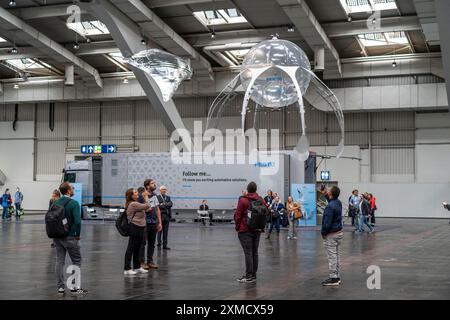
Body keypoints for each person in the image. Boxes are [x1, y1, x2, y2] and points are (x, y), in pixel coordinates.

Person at [52, 182, 87, 295]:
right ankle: (74, 287)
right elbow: (77, 221)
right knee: (76, 261)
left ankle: (60, 288)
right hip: (70, 236)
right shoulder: (74, 203)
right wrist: (77, 234)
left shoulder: (55, 202)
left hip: (57, 236)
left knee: (59, 261)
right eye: (72, 188)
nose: (73, 189)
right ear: (68, 191)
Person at [234, 181, 266, 283]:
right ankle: (253, 275)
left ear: (247, 189)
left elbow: (238, 215)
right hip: (257, 229)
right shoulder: (261, 199)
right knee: (254, 253)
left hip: (245, 230)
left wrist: (237, 227)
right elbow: (266, 212)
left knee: (248, 253)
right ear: (256, 189)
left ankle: (248, 276)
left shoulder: (243, 200)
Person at [124, 188, 150, 275]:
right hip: (135, 227)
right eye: (135, 192)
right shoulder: (133, 204)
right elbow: (147, 206)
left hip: (140, 227)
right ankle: (127, 268)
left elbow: (145, 209)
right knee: (131, 247)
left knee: (137, 248)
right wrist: (146, 196)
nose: (137, 193)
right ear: (131, 196)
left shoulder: (136, 203)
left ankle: (137, 267)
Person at [321, 186, 343, 286]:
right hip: (338, 232)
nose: (327, 190)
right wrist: (325, 194)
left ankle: (333, 278)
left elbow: (327, 223)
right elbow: (331, 201)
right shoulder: (338, 202)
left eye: (328, 190)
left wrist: (323, 233)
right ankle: (337, 276)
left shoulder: (329, 207)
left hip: (331, 234)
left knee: (332, 257)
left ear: (331, 194)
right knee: (336, 255)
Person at [140, 179, 162, 270]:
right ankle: (141, 262)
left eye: (154, 183)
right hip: (144, 223)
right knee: (143, 243)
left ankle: (150, 261)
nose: (154, 185)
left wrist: (159, 222)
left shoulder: (155, 195)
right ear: (147, 185)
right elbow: (142, 208)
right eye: (152, 183)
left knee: (152, 244)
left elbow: (157, 209)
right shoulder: (141, 196)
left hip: (153, 223)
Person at [157, 186, 173, 250]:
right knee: (159, 230)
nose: (164, 190)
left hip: (166, 216)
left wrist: (163, 204)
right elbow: (158, 206)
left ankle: (165, 245)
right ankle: (159, 243)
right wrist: (166, 204)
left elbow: (171, 204)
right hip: (160, 216)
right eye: (163, 189)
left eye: (165, 189)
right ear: (160, 190)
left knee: (165, 231)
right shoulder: (157, 197)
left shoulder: (168, 197)